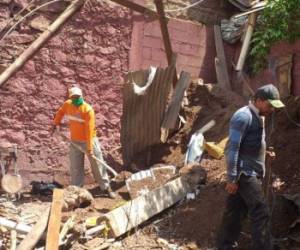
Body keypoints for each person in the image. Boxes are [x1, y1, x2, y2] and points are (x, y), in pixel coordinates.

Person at [216, 84, 285, 250]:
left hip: (249, 171)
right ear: (259, 100)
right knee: (260, 211)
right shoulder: (243, 116)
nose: (272, 110)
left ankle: (224, 246)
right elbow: (232, 149)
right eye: (270, 106)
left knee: (235, 212)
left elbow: (250, 144)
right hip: (245, 173)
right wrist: (232, 178)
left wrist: (264, 153)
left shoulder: (258, 116)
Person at [52, 86, 116, 198]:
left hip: (89, 140)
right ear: (70, 98)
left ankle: (106, 187)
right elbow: (61, 112)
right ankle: (77, 192)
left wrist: (90, 149)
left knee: (97, 165)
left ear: (82, 96)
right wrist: (56, 123)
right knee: (75, 167)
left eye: (78, 97)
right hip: (75, 141)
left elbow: (89, 131)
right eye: (73, 97)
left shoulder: (87, 110)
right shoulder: (68, 104)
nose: (76, 99)